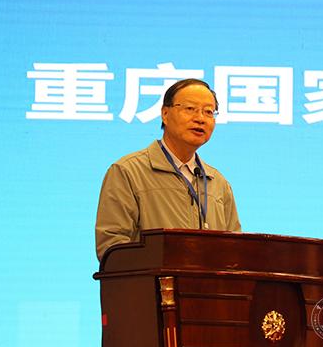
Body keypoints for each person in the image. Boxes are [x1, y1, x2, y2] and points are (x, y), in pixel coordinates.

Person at [95, 78, 241, 260]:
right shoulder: (128, 172)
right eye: (190, 109)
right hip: (152, 279)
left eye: (208, 112)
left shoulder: (218, 183)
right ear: (165, 114)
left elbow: (235, 250)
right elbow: (112, 246)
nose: (200, 118)